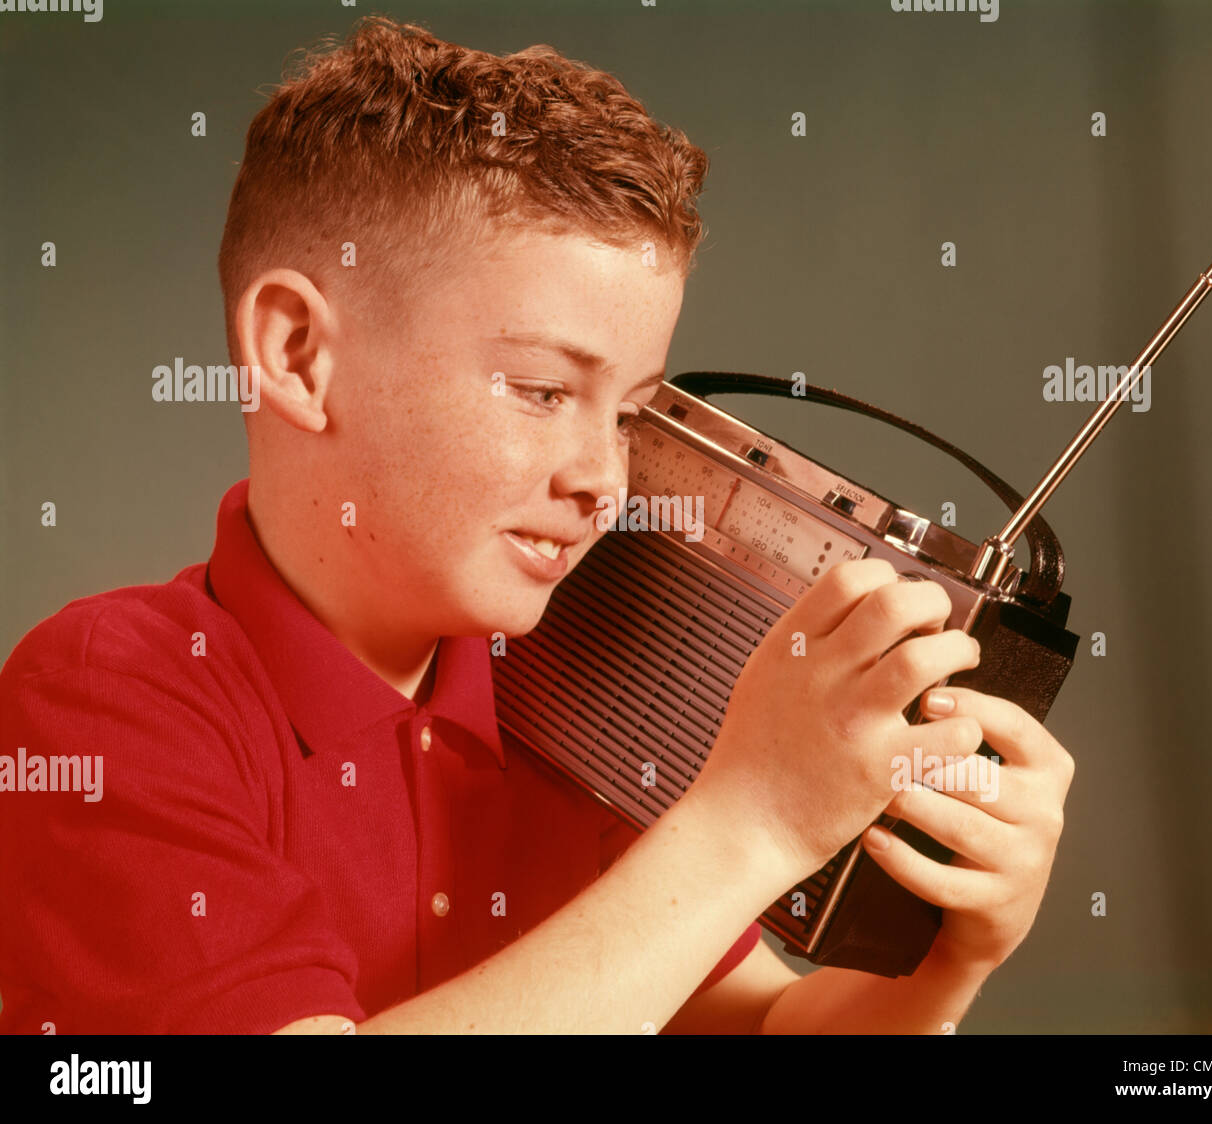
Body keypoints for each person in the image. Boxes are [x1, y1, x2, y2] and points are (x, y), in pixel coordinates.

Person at [0, 16, 1073, 1035]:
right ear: (295, 355)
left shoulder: (573, 692)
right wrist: (748, 822)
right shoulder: (103, 700)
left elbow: (764, 1021)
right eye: (541, 390)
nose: (602, 481)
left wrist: (951, 957)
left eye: (634, 414)